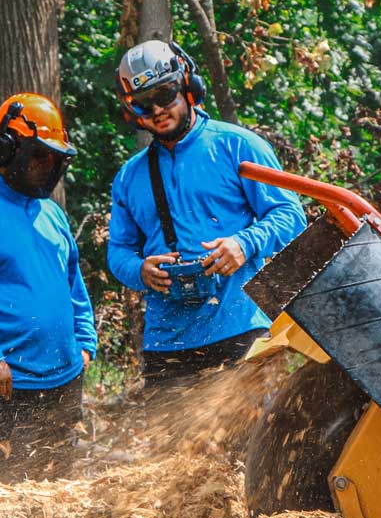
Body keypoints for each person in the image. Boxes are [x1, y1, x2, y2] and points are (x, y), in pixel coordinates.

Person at [107, 40, 306, 387]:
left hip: (240, 326)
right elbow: (118, 251)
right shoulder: (129, 177)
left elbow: (291, 214)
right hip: (166, 341)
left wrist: (244, 243)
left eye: (165, 94)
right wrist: (139, 270)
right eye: (144, 103)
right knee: (164, 426)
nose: (157, 109)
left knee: (256, 423)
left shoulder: (238, 146)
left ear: (187, 85)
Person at [0, 93, 97, 476]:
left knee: (57, 490)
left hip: (63, 377)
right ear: (6, 149)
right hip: (2, 382)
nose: (47, 166)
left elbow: (73, 283)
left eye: (54, 158)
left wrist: (85, 342)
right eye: (40, 156)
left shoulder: (52, 214)